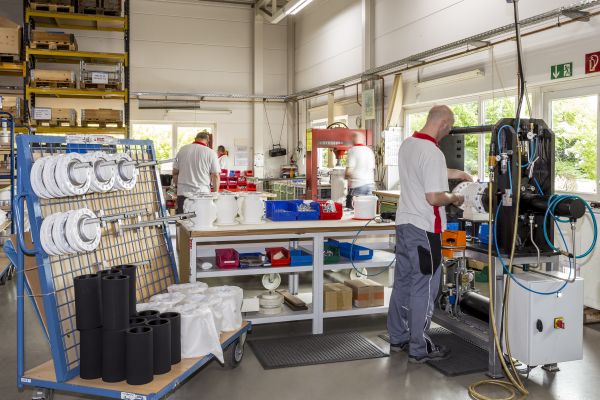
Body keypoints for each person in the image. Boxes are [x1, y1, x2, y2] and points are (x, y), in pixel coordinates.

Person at [387, 105, 472, 363]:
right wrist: (455, 197)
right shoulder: (433, 152)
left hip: (404, 225)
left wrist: (458, 174)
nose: (448, 132)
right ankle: (419, 347)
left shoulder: (409, 144)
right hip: (424, 229)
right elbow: (434, 197)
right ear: (444, 123)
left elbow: (426, 170)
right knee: (424, 286)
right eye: (449, 127)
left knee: (403, 282)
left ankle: (398, 337)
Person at [172, 131, 220, 213]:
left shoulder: (182, 149)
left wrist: (177, 188)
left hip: (183, 192)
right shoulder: (211, 152)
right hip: (202, 194)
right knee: (201, 219)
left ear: (195, 139)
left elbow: (175, 172)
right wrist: (215, 194)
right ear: (207, 141)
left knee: (183, 219)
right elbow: (215, 175)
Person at [345, 132, 376, 208]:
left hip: (358, 185)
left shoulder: (352, 150)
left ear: (353, 140)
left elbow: (349, 171)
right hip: (370, 185)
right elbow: (372, 168)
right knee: (366, 209)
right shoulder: (369, 151)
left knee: (354, 210)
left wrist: (345, 176)